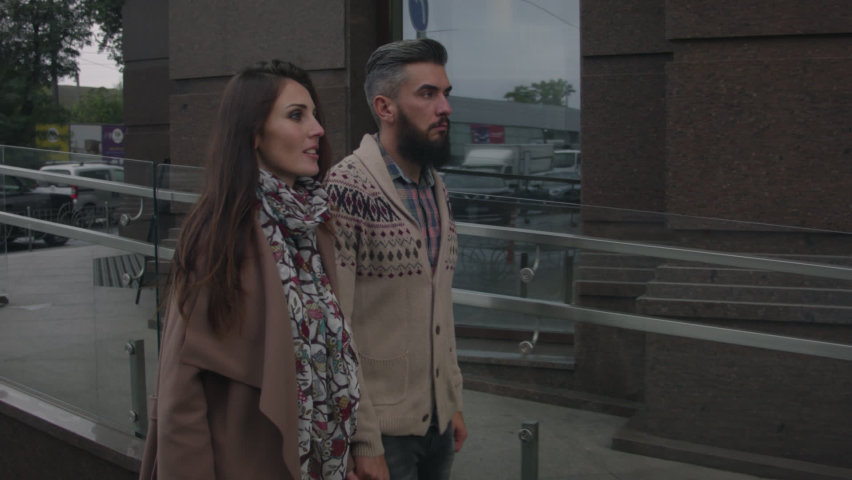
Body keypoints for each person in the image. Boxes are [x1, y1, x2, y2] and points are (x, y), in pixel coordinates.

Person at [139, 60, 364, 480]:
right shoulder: (220, 236)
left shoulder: (312, 229)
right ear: (254, 133)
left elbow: (328, 367)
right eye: (297, 115)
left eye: (315, 115)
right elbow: (181, 394)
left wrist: (341, 458)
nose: (317, 129)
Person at [325, 38, 466, 480]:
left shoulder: (435, 186)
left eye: (446, 93)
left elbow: (439, 307)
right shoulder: (346, 189)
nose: (444, 106)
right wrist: (362, 441)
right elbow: (336, 329)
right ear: (385, 108)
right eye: (427, 94)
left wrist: (452, 402)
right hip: (382, 436)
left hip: (438, 425)